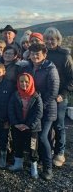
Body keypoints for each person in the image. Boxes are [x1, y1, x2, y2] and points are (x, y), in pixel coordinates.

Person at [21, 43, 59, 180]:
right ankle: (36, 162)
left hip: (48, 109)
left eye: (38, 54)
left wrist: (41, 106)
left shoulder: (50, 69)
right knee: (34, 137)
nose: (35, 56)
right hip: (32, 108)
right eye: (32, 53)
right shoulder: (28, 67)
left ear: (44, 54)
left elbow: (53, 91)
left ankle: (48, 168)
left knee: (43, 137)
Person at [43, 27, 73, 167]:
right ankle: (48, 151)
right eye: (47, 39)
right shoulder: (43, 53)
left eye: (52, 39)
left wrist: (63, 94)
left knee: (59, 125)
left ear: (58, 40)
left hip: (60, 97)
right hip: (45, 96)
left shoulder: (65, 56)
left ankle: (59, 153)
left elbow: (71, 78)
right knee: (46, 126)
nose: (49, 41)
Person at [8, 73, 43, 179]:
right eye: (21, 81)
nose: (24, 84)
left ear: (31, 82)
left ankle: (34, 166)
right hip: (18, 127)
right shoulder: (15, 95)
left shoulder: (36, 96)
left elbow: (39, 113)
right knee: (17, 144)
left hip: (32, 129)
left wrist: (29, 125)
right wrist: (16, 123)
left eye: (26, 82)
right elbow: (11, 110)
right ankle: (18, 163)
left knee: (33, 147)